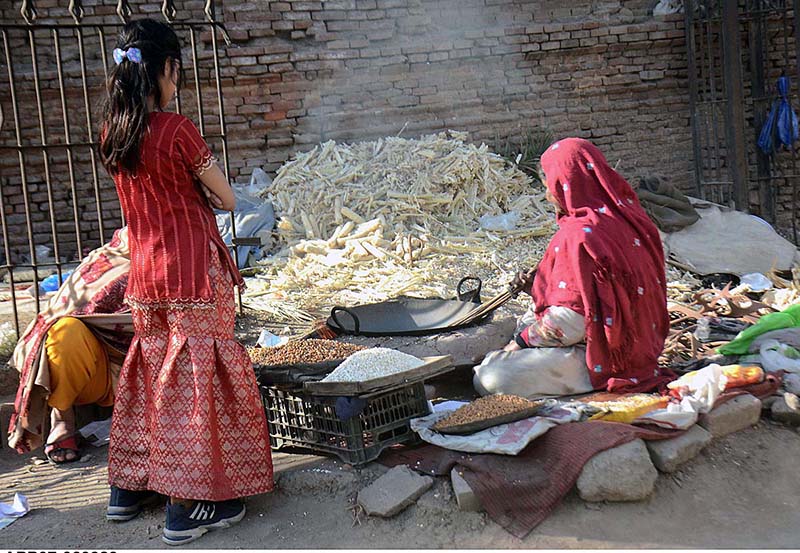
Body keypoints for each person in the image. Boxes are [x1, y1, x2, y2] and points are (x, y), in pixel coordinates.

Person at [98, 19, 273, 546]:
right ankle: (192, 503)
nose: (178, 81)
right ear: (164, 69)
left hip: (145, 277)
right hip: (195, 271)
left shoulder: (112, 132)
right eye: (176, 70)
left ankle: (128, 489)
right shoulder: (177, 130)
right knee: (197, 385)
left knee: (153, 373)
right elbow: (227, 199)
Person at [474, 138, 671, 399]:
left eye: (549, 184)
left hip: (605, 355)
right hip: (644, 349)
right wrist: (540, 286)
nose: (547, 194)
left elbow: (569, 324)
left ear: (565, 183)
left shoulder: (579, 236)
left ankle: (590, 381)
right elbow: (605, 291)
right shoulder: (634, 220)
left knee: (490, 376)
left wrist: (520, 342)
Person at [8, 228, 133, 462]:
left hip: (155, 372)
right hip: (102, 372)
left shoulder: (190, 257)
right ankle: (62, 417)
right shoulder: (103, 261)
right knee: (64, 330)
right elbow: (51, 319)